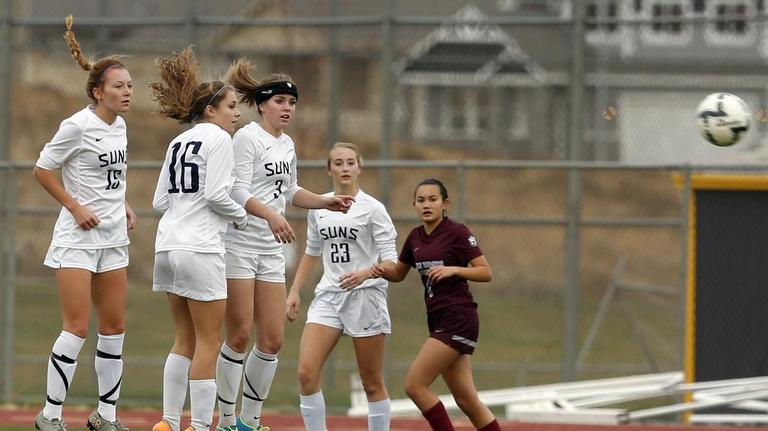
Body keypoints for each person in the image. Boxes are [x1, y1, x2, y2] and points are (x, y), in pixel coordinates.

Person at [214, 59, 354, 431]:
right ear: (262, 105)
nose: (287, 108)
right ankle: (227, 420)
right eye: (279, 101)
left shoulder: (287, 143)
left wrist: (325, 200)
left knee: (272, 340)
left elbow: (289, 191)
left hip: (270, 252)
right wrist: (272, 217)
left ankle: (249, 420)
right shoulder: (246, 137)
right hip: (241, 243)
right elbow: (237, 190)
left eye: (291, 102)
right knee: (240, 334)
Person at [32, 15, 135, 431]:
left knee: (114, 329)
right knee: (75, 328)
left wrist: (124, 203)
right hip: (77, 238)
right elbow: (42, 170)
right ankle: (50, 415)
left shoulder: (121, 126)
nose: (127, 92)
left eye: (129, 85)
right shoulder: (77, 125)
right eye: (119, 86)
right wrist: (74, 207)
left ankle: (104, 416)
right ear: (98, 92)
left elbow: (112, 178)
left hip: (112, 238)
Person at [148, 48, 248, 431]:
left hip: (168, 245)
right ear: (211, 110)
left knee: (183, 340)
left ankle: (169, 423)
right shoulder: (219, 139)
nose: (237, 114)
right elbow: (216, 195)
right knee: (210, 340)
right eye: (231, 106)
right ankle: (203, 426)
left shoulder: (179, 141)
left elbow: (159, 200)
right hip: (200, 248)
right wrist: (240, 217)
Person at [371, 179, 502, 431]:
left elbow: (486, 272)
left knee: (415, 385)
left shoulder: (457, 233)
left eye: (433, 199)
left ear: (445, 203)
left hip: (458, 318)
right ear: (414, 205)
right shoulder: (415, 238)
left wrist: (453, 270)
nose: (426, 204)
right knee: (466, 399)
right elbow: (399, 272)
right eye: (421, 200)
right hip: (438, 319)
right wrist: (381, 270)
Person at [286, 142, 397, 431]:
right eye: (338, 163)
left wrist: (365, 273)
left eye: (350, 162)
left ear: (359, 167)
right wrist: (295, 290)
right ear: (329, 169)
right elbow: (312, 251)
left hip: (366, 296)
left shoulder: (373, 209)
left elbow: (392, 262)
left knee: (371, 382)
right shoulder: (320, 207)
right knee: (306, 374)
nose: (345, 168)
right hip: (329, 297)